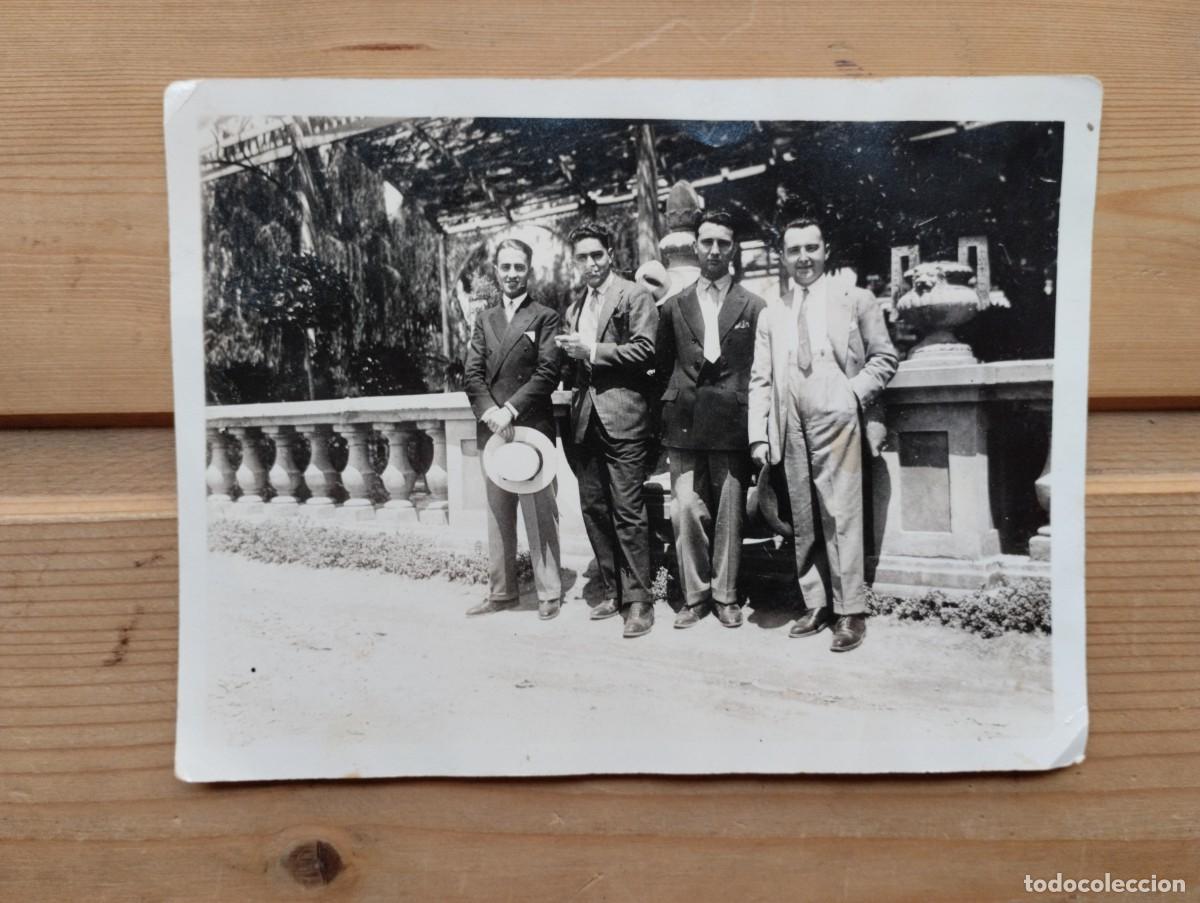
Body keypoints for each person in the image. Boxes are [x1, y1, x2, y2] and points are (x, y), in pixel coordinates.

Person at [748, 218, 898, 652]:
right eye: (794, 250)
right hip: (788, 413)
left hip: (836, 405)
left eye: (811, 248)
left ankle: (850, 610)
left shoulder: (856, 299)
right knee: (802, 512)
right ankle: (817, 603)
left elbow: (885, 358)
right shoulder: (771, 312)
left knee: (841, 510)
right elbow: (760, 378)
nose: (803, 258)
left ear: (825, 250)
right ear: (783, 257)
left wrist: (850, 394)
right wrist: (760, 434)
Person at [655, 210, 766, 629]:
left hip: (733, 428)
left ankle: (726, 596)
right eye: (707, 242)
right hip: (684, 427)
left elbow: (761, 371)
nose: (714, 250)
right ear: (695, 246)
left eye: (723, 242)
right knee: (685, 509)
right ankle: (695, 595)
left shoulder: (755, 306)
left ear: (732, 248)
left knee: (729, 512)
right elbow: (662, 367)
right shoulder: (673, 308)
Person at [557, 221, 659, 638]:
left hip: (625, 419)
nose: (591, 263)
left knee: (628, 512)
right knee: (594, 508)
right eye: (582, 257)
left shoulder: (634, 294)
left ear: (611, 255)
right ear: (575, 262)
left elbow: (646, 348)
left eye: (597, 255)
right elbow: (573, 367)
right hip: (585, 422)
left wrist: (592, 351)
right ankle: (612, 588)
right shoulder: (574, 307)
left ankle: (639, 602)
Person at [463, 238, 564, 620]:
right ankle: (501, 592)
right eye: (505, 267)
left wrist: (510, 409)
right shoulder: (484, 319)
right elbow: (472, 373)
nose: (511, 274)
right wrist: (490, 411)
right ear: (496, 270)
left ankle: (549, 592)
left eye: (518, 267)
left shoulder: (545, 316)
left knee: (539, 509)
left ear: (529, 270)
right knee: (497, 512)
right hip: (493, 429)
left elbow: (547, 372)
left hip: (530, 427)